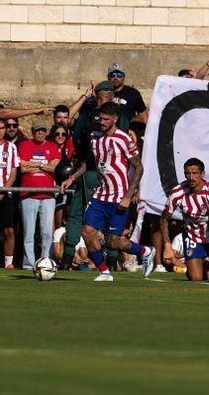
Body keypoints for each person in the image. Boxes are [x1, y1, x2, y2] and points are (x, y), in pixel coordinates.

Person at [58, 102, 154, 281]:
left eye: (105, 119)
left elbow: (139, 167)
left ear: (115, 119)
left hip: (119, 196)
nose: (101, 122)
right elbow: (89, 163)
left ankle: (145, 251)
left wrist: (129, 195)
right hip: (100, 195)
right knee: (87, 232)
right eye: (100, 119)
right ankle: (104, 272)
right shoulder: (94, 137)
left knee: (113, 241)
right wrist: (72, 177)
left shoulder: (123, 139)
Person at [159, 158, 209, 283]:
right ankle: (202, 267)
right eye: (188, 173)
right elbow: (164, 218)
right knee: (196, 278)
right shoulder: (177, 193)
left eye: (195, 173)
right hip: (192, 237)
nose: (191, 177)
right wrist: (167, 244)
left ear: (202, 174)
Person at [17, 125, 61, 268]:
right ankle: (28, 264)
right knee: (28, 233)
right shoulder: (24, 145)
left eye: (43, 130)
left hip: (48, 195)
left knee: (47, 233)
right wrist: (45, 165)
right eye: (37, 131)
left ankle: (45, 262)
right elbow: (23, 168)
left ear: (46, 132)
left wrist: (34, 165)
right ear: (32, 132)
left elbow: (55, 167)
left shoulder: (52, 146)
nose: (40, 133)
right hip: (28, 194)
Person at [0, 126, 18, 268]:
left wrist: (3, 191)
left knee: (9, 230)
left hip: (5, 193)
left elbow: (13, 172)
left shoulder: (11, 147)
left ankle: (8, 263)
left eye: (2, 128)